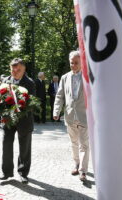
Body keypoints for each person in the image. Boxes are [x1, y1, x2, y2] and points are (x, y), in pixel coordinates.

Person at [0, 58, 36, 184]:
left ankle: (23, 173)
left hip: (24, 120)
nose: (15, 71)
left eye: (18, 68)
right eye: (12, 68)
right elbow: (0, 99)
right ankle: (7, 172)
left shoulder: (29, 83)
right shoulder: (5, 80)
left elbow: (32, 103)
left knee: (24, 147)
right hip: (8, 119)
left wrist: (20, 107)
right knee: (6, 144)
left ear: (24, 69)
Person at [53, 50, 89, 182]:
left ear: (81, 63)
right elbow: (60, 95)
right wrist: (56, 111)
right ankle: (76, 163)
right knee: (74, 143)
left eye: (76, 63)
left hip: (84, 116)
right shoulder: (64, 77)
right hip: (69, 116)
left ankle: (83, 171)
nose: (73, 65)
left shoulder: (88, 76)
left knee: (84, 144)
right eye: (71, 63)